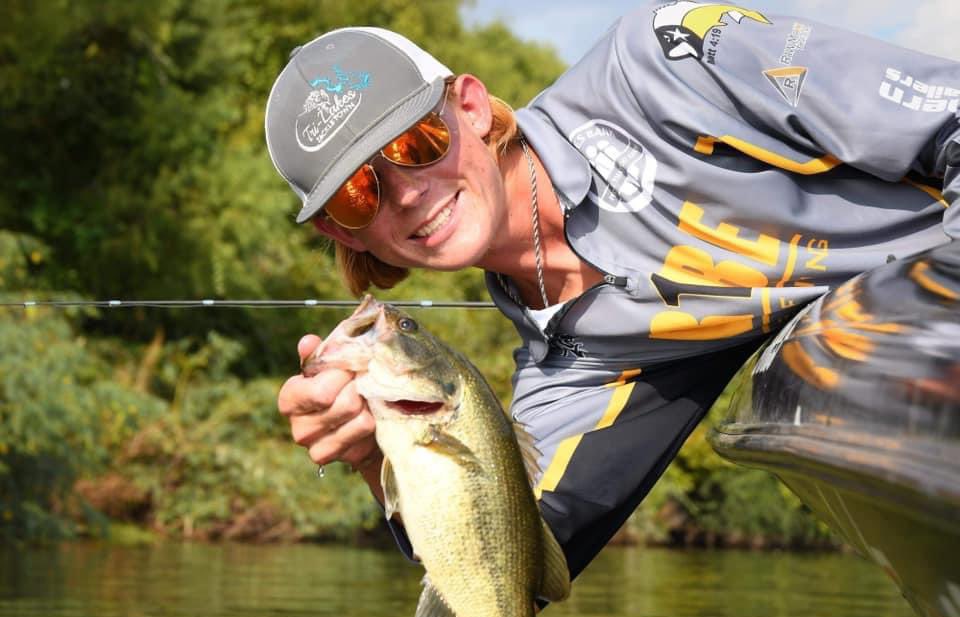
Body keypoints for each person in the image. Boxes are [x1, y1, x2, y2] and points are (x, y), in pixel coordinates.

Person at [266, 3, 959, 580]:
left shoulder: (663, 61)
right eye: (361, 195)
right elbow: (507, 570)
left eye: (415, 143)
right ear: (347, 235)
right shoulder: (574, 368)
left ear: (471, 107)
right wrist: (374, 453)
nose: (409, 193)